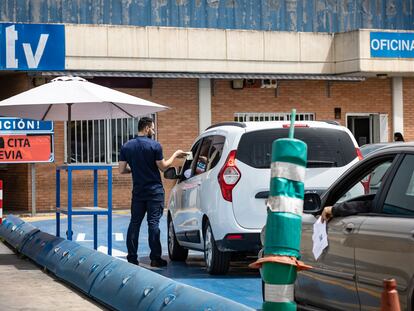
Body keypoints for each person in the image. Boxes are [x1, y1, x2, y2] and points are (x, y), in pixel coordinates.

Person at [119, 117, 187, 267]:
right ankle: (155, 258)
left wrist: (136, 169)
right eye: (153, 128)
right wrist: (175, 155)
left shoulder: (127, 146)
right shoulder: (155, 146)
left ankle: (131, 258)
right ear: (147, 128)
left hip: (138, 192)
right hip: (154, 192)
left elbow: (122, 169)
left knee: (134, 223)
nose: (154, 131)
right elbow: (163, 167)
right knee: (153, 223)